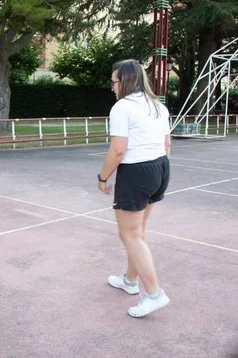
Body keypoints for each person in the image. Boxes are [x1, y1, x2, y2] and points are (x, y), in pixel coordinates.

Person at [97, 59, 171, 318]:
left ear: (125, 81)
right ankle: (129, 280)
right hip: (161, 168)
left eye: (114, 82)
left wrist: (102, 177)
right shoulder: (158, 106)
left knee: (130, 235)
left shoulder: (122, 108)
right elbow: (167, 145)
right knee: (137, 232)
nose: (112, 87)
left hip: (138, 172)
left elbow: (118, 149)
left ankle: (154, 294)